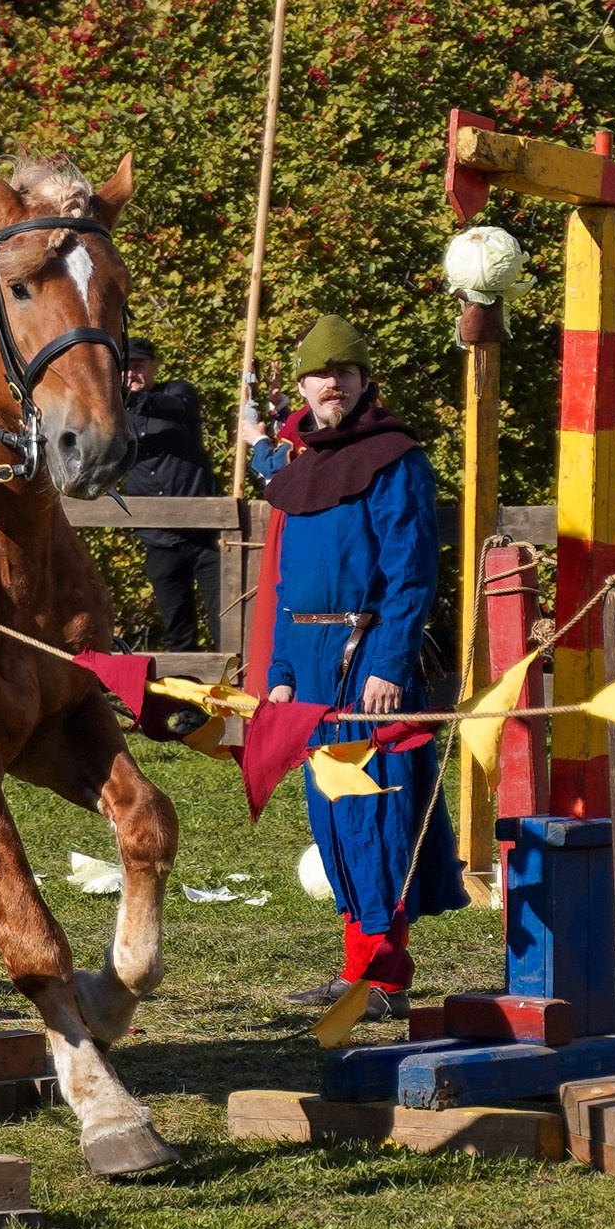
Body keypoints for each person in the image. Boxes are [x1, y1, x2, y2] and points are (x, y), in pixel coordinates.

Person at [240, 313, 466, 1019]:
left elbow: (411, 572)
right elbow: (287, 585)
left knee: (375, 813)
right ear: (304, 387)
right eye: (319, 374)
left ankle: (382, 980)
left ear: (365, 381)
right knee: (333, 814)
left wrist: (391, 661)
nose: (331, 384)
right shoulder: (301, 467)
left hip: (368, 656)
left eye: (344, 372)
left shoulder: (396, 459)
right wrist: (280, 670)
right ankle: (355, 969)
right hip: (308, 665)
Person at [121, 337, 220, 651]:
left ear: (154, 366)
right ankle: (184, 687)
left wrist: (128, 397)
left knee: (225, 623)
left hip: (205, 535)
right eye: (125, 368)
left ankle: (237, 683)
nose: (131, 374)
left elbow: (178, 407)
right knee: (178, 633)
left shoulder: (177, 392)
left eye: (138, 366)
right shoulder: (114, 414)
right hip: (159, 539)